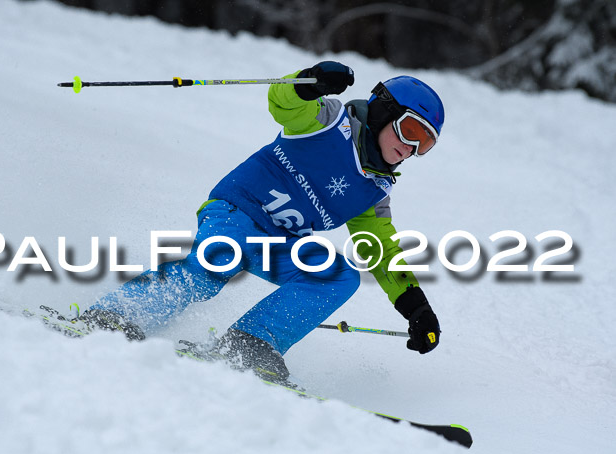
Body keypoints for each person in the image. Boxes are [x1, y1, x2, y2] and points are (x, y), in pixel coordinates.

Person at [84, 61, 444, 384]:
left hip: (279, 241)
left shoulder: (374, 190)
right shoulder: (328, 121)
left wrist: (416, 307)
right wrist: (311, 82)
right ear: (384, 112)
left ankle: (251, 342)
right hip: (237, 210)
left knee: (338, 277)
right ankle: (116, 314)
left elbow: (380, 251)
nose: (411, 148)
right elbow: (284, 102)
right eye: (410, 130)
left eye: (424, 143)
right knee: (218, 261)